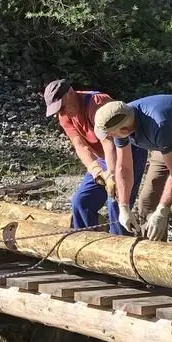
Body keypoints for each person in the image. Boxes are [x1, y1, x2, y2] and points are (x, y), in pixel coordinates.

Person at [94, 95, 172, 246]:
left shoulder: (159, 124)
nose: (110, 138)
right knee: (147, 200)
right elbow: (124, 168)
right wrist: (123, 206)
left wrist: (163, 210)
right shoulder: (119, 119)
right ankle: (153, 253)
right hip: (168, 142)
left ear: (125, 129)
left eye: (111, 135)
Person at [42, 79, 146, 236]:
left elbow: (109, 142)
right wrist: (97, 172)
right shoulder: (64, 115)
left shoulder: (96, 103)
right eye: (58, 110)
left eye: (62, 107)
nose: (62, 112)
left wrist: (111, 175)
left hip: (127, 152)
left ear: (71, 92)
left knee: (116, 203)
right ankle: (86, 245)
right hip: (104, 158)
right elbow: (80, 145)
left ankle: (120, 250)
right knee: (81, 202)